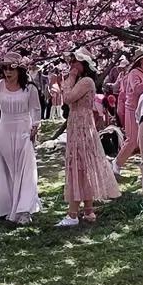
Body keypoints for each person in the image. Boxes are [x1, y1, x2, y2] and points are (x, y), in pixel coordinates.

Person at [56, 49, 120, 226]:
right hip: (79, 124)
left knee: (78, 165)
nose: (72, 66)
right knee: (82, 165)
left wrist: (70, 77)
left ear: (82, 64)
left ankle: (72, 214)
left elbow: (68, 97)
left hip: (81, 125)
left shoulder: (86, 81)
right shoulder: (84, 81)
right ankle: (88, 210)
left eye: (75, 62)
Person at [0, 52, 42, 225]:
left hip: (24, 131)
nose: (8, 72)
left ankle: (24, 208)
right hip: (3, 130)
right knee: (6, 170)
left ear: (20, 70)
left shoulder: (29, 88)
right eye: (5, 69)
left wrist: (35, 126)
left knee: (26, 170)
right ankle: (7, 204)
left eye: (11, 69)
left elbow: (36, 109)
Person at [112, 50, 143, 176]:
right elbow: (137, 89)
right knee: (132, 140)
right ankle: (117, 163)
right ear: (141, 61)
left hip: (142, 109)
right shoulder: (134, 73)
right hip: (132, 108)